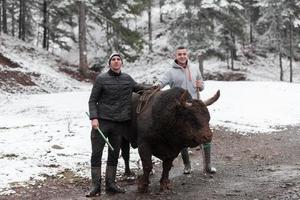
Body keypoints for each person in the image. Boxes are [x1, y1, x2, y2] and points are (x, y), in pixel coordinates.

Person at [86, 53, 148, 197]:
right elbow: (92, 100)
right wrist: (94, 118)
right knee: (96, 154)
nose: (116, 62)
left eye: (118, 59)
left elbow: (139, 88)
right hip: (102, 122)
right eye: (113, 60)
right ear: (109, 63)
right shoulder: (101, 79)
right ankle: (95, 186)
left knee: (114, 153)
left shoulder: (127, 79)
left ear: (121, 63)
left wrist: (156, 87)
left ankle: (111, 184)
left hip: (120, 124)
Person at [158, 46, 216, 175]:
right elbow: (161, 83)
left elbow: (202, 85)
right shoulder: (170, 72)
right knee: (184, 138)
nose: (182, 56)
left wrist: (200, 85)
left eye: (184, 54)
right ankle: (187, 165)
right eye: (180, 54)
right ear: (176, 56)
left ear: (187, 55)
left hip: (195, 109)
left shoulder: (195, 68)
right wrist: (155, 87)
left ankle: (208, 165)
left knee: (205, 134)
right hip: (181, 110)